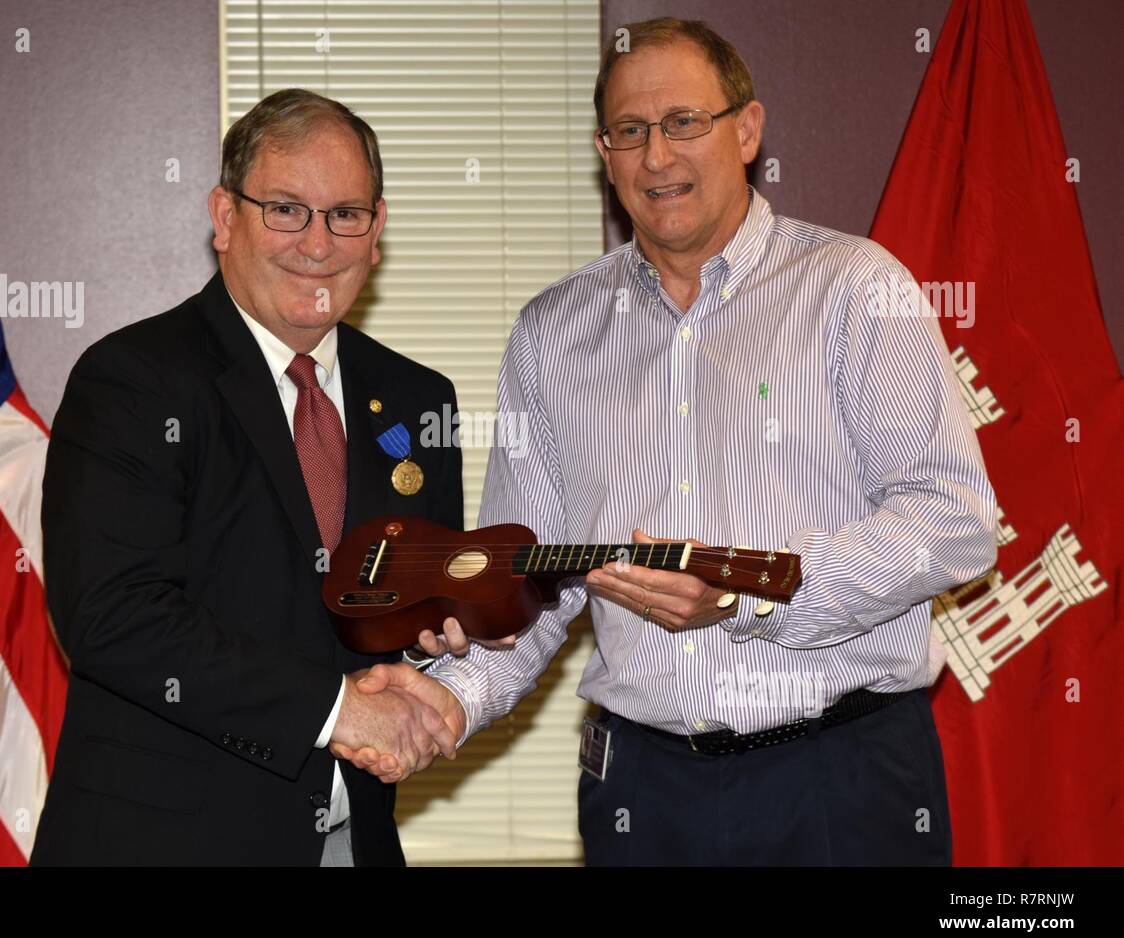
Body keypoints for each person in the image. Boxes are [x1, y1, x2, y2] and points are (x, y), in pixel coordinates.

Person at [339, 18, 999, 866]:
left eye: (685, 121)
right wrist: (447, 702)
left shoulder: (858, 289)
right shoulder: (553, 333)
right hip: (641, 795)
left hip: (845, 782)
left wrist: (748, 595)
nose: (656, 157)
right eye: (630, 131)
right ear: (602, 152)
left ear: (748, 129)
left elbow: (953, 520)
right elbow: (534, 578)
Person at [31, 89, 479, 866]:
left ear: (376, 232)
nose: (317, 242)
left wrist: (440, 645)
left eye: (345, 213)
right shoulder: (132, 381)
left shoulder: (417, 398)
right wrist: (334, 709)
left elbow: (404, 616)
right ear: (225, 216)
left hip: (352, 842)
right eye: (285, 209)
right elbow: (110, 615)